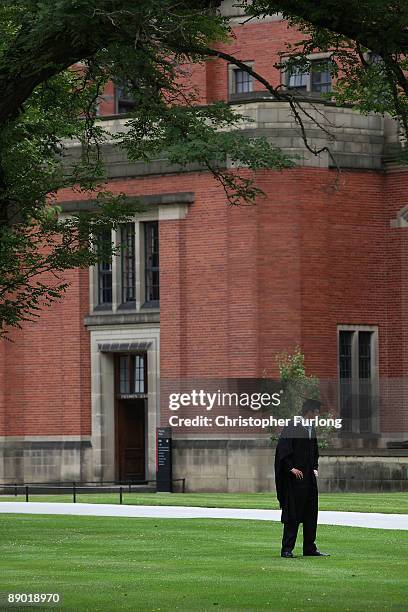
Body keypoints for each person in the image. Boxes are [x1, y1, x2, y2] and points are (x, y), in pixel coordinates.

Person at [274, 398, 330, 558]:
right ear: (309, 412)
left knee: (311, 513)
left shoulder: (311, 428)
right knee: (293, 513)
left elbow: (314, 451)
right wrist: (290, 468)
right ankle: (287, 549)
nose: (317, 415)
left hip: (309, 479)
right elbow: (283, 449)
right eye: (316, 413)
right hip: (295, 480)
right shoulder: (293, 426)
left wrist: (314, 468)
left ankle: (309, 548)